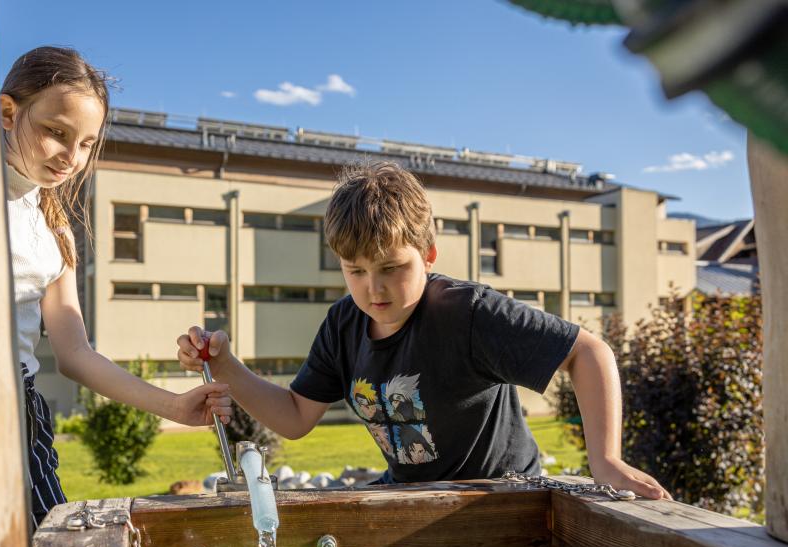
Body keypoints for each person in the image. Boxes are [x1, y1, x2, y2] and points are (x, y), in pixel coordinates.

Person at [177, 161, 671, 500]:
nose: (374, 290)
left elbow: (589, 353)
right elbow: (294, 417)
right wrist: (224, 365)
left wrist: (606, 461)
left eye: (392, 268)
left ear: (429, 255)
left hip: (501, 498)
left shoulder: (468, 313)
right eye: (355, 270)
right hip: (410, 495)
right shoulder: (343, 325)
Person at [0, 46, 232, 527]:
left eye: (86, 143)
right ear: (8, 112)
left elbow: (76, 354)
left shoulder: (54, 225)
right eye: (56, 133)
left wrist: (174, 407)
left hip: (18, 417)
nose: (71, 157)